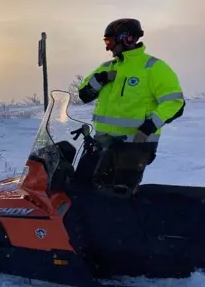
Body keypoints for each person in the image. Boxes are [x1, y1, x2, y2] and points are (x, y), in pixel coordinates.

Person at [75, 18, 185, 192]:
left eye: (110, 41)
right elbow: (84, 95)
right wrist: (100, 80)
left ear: (127, 39)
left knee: (116, 198)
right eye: (106, 42)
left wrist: (149, 126)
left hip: (134, 146)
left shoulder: (153, 68)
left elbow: (175, 103)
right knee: (81, 189)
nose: (108, 47)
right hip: (101, 142)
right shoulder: (107, 67)